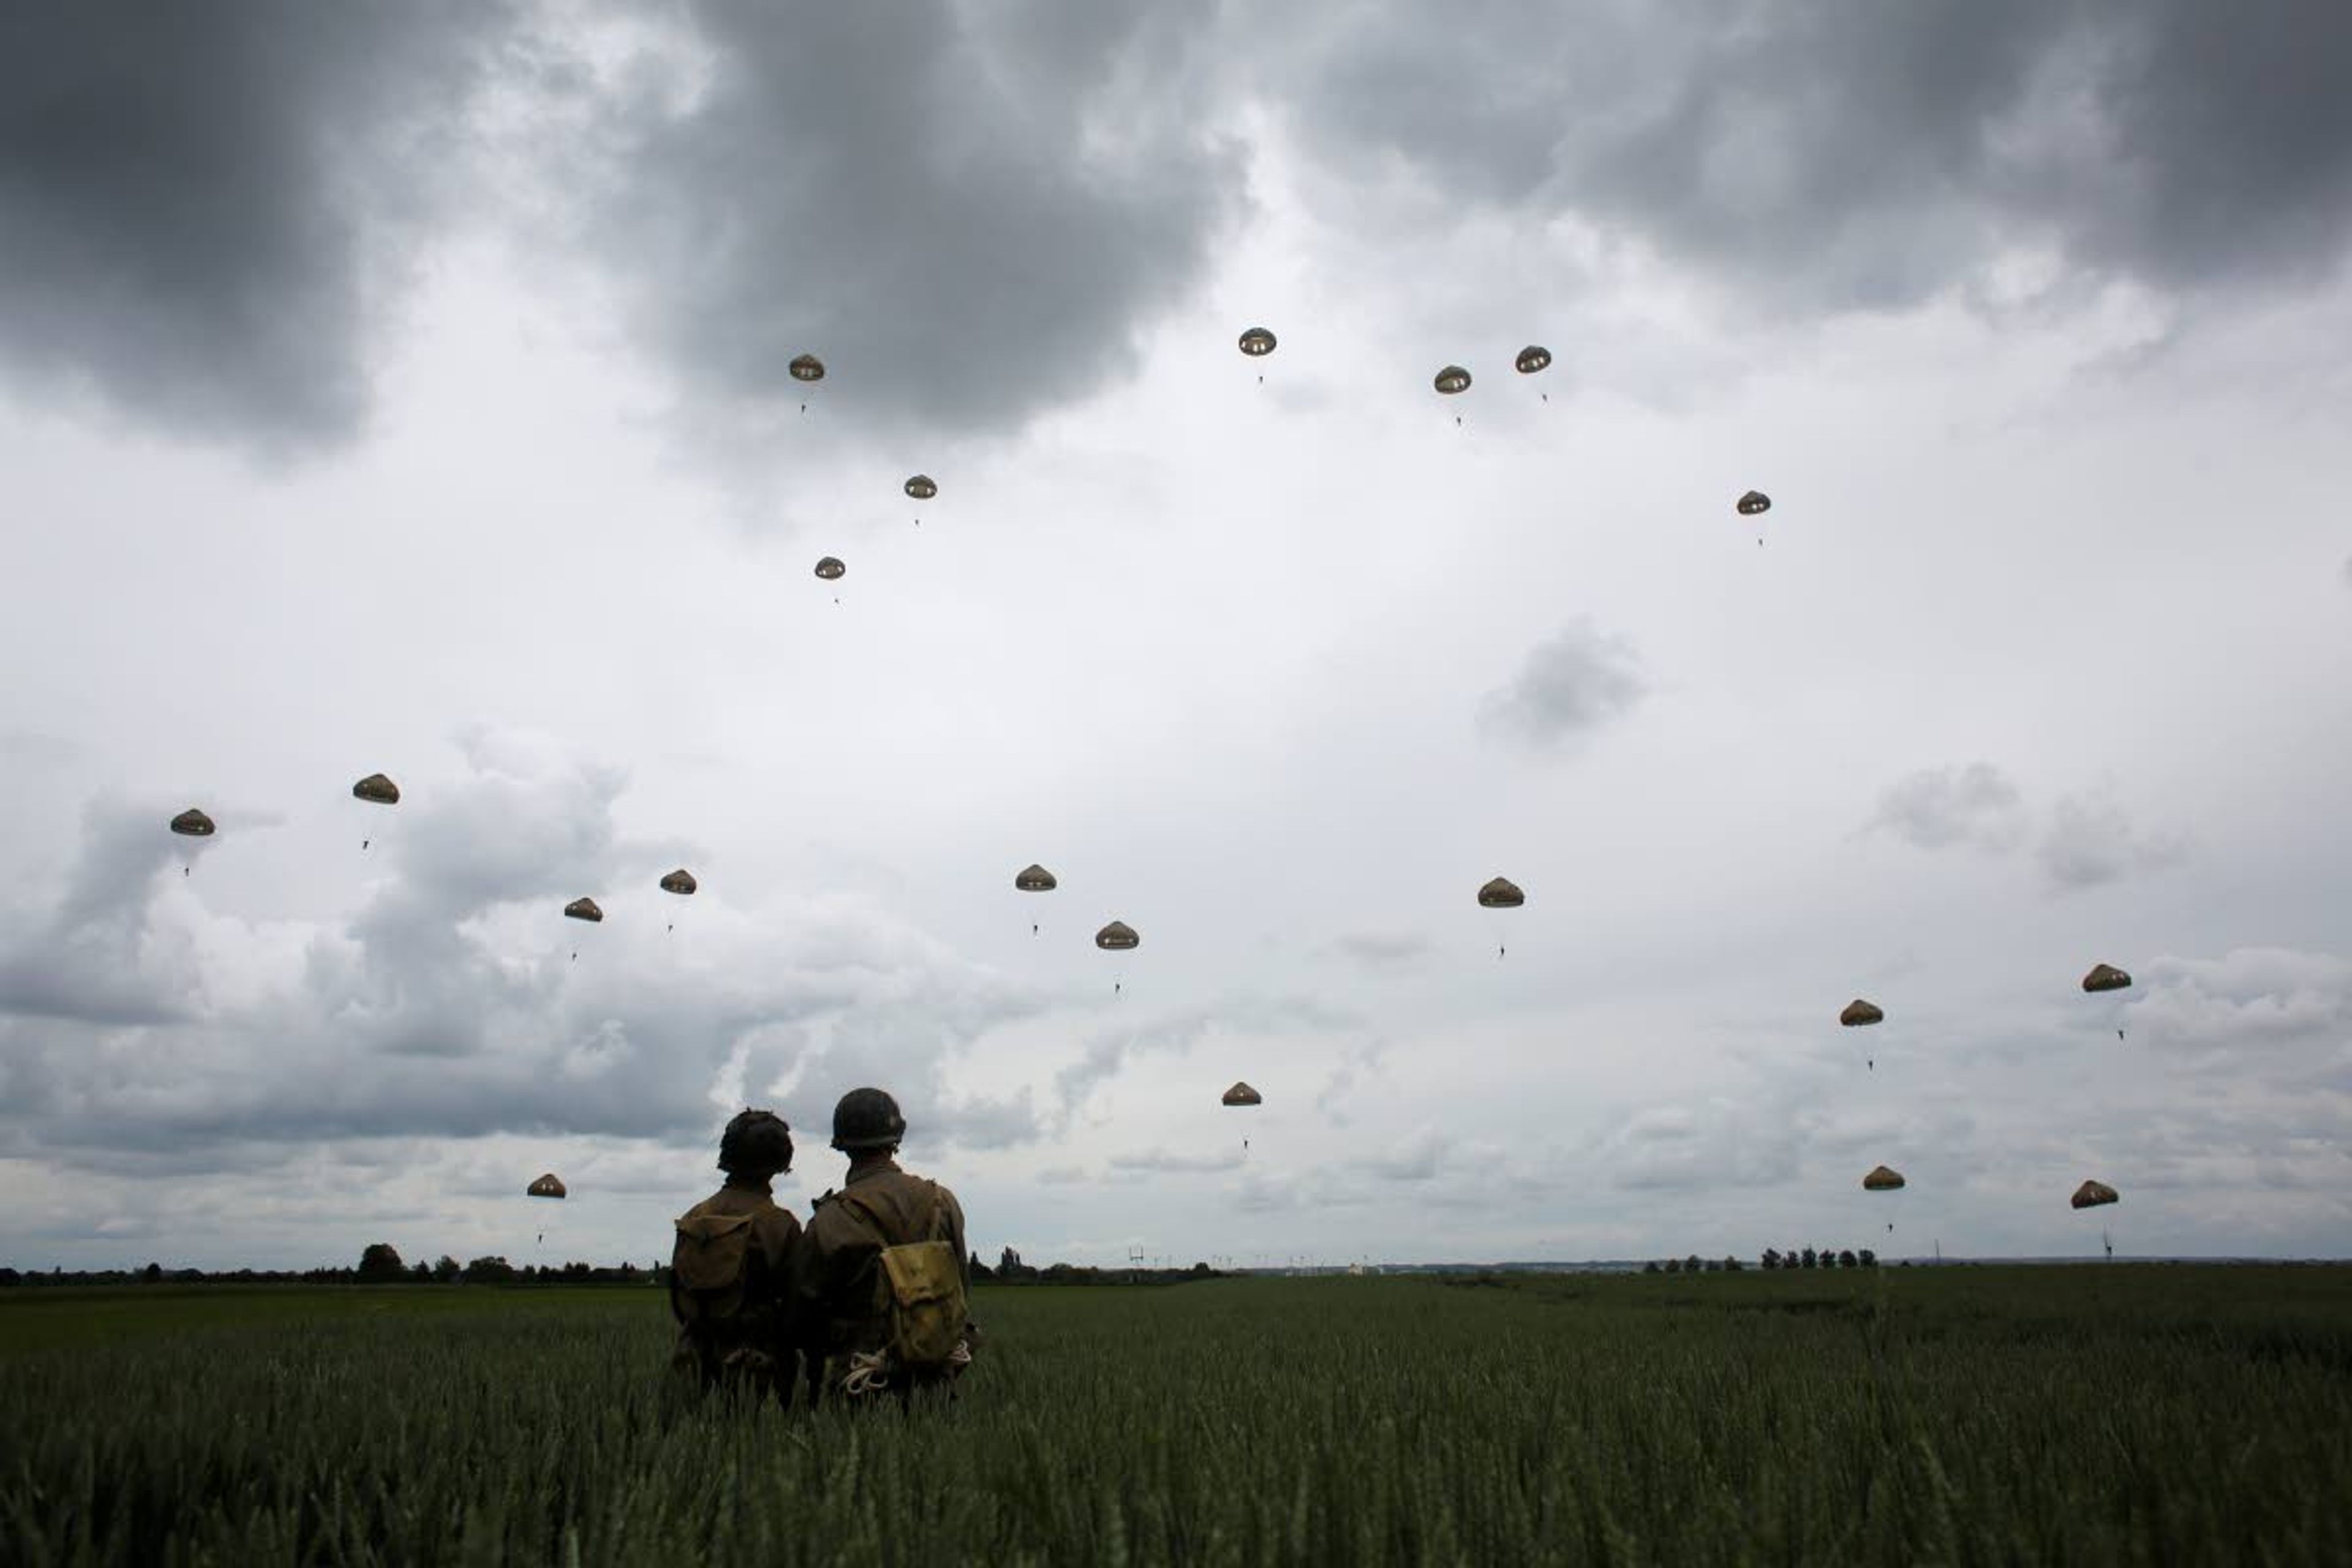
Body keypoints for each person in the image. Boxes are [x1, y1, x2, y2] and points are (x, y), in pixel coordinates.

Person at [792, 1087, 978, 1405]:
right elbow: (960, 1289)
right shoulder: (942, 1203)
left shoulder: (830, 1219)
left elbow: (803, 1315)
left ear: (843, 1144)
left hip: (859, 1384)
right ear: (896, 1138)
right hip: (934, 1385)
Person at [669, 1108, 803, 1404]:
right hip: (759, 1369)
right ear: (781, 1161)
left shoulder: (693, 1217)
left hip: (691, 1363)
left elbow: (679, 1301)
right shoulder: (780, 1223)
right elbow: (799, 1306)